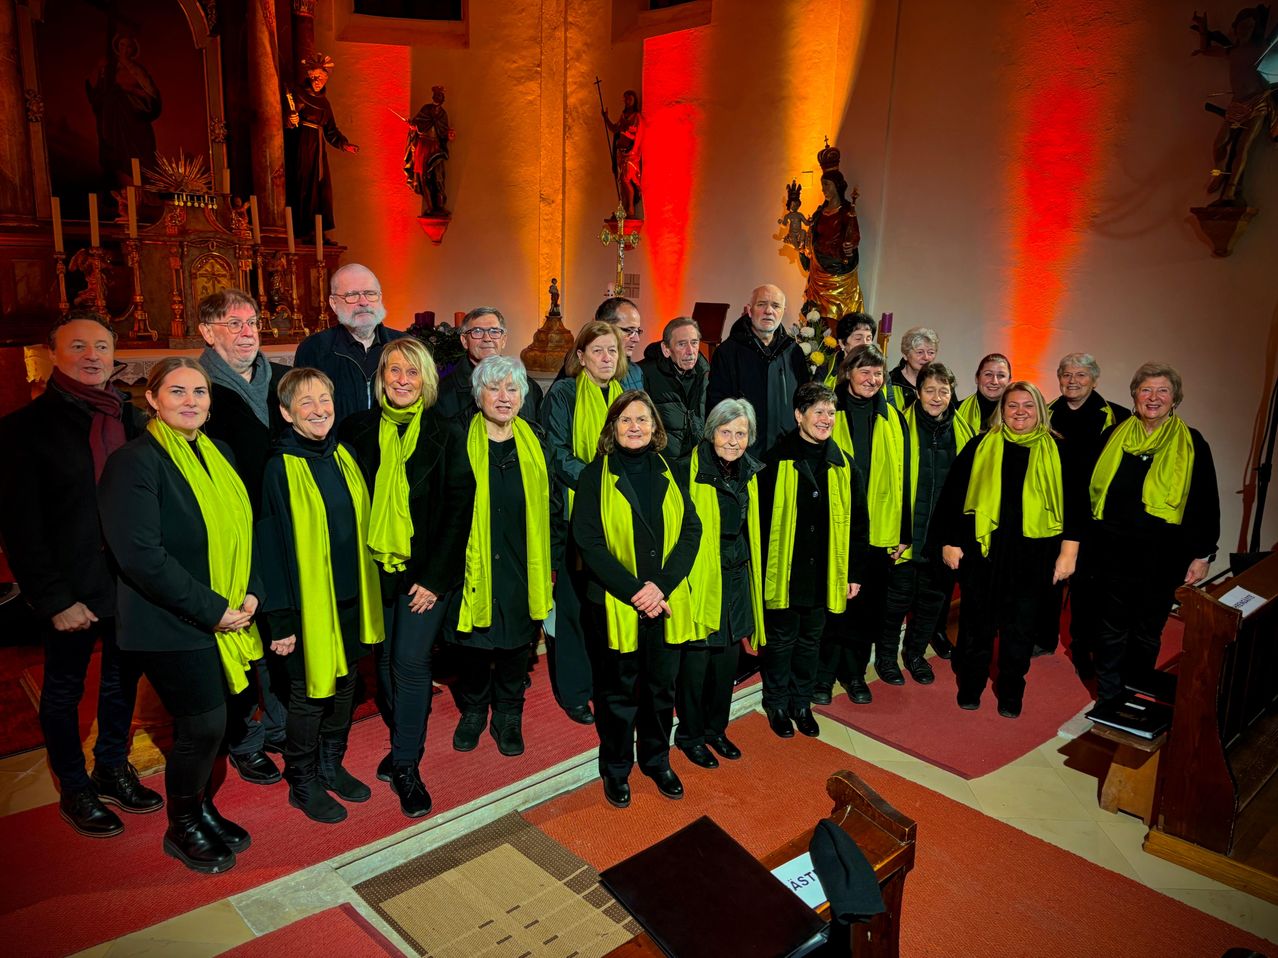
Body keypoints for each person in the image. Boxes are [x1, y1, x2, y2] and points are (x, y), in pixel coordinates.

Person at [0, 310, 161, 837]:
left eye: (100, 346)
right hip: (70, 588)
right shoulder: (26, 429)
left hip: (128, 580)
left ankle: (112, 766)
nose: (91, 356)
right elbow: (21, 526)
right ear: (53, 353)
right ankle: (74, 785)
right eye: (77, 347)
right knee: (66, 689)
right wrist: (53, 598)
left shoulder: (132, 417)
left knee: (121, 682)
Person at [98, 357, 262, 873]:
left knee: (221, 721)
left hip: (223, 613)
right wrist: (216, 611)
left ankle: (203, 811)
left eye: (199, 391)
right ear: (152, 399)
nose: (191, 401)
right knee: (202, 725)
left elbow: (243, 529)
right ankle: (182, 826)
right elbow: (141, 557)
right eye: (178, 391)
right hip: (169, 620)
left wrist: (252, 592)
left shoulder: (219, 453)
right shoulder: (135, 462)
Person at [339, 337, 473, 819]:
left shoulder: (447, 432)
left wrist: (436, 580)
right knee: (385, 661)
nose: (401, 380)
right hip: (374, 569)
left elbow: (460, 511)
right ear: (381, 378)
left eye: (411, 373)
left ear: (426, 381)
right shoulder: (356, 430)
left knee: (411, 663)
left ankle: (407, 765)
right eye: (394, 371)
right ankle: (401, 744)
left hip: (425, 576)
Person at [257, 368, 384, 824]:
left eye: (324, 399)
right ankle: (303, 780)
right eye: (304, 403)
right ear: (287, 412)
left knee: (347, 683)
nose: (318, 410)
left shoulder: (343, 454)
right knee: (308, 695)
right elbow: (269, 548)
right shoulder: (279, 466)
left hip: (349, 598)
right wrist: (282, 621)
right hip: (306, 607)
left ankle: (332, 764)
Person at [572, 390, 702, 807]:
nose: (635, 427)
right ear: (613, 427)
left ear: (655, 428)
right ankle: (615, 768)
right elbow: (588, 544)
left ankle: (656, 759)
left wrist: (660, 586)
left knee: (661, 690)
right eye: (626, 420)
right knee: (616, 693)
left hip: (663, 601)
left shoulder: (672, 470)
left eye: (643, 420)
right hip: (614, 602)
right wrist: (634, 592)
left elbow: (691, 532)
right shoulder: (595, 475)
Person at [935, 382, 1084, 717]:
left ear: (1040, 412)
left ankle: (1011, 690)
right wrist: (950, 541)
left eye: (1027, 406)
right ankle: (970, 685)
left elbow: (1076, 507)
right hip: (983, 553)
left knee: (1020, 629)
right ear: (1001, 411)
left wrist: (1068, 553)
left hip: (1034, 556)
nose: (1020, 413)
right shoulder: (979, 446)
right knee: (975, 625)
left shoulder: (1059, 451)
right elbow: (953, 498)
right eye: (1012, 406)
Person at [1084, 363, 1219, 709]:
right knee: (1111, 627)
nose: (1153, 398)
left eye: (1162, 391)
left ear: (1175, 399)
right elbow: (1091, 493)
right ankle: (1109, 695)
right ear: (1134, 396)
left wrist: (1202, 555)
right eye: (1146, 390)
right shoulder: (1114, 436)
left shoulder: (1192, 443)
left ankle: (1133, 683)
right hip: (1112, 551)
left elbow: (1205, 501)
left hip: (1163, 556)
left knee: (1147, 628)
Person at [197, 289, 289, 785]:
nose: (247, 331)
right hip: (228, 531)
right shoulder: (199, 387)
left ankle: (274, 720)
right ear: (208, 333)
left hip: (276, 522)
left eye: (252, 321)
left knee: (274, 625)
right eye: (234, 323)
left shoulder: (276, 378)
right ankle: (241, 737)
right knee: (234, 633)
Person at [445, 356, 554, 757]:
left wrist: (551, 560)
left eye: (512, 389)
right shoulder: (457, 438)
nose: (504, 397)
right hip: (472, 563)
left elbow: (552, 504)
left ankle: (508, 714)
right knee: (473, 644)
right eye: (494, 388)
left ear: (523, 395)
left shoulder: (536, 440)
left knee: (514, 646)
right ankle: (473, 711)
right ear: (479, 395)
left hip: (521, 561)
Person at [759, 383, 868, 738]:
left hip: (824, 570)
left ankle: (800, 703)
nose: (826, 419)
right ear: (799, 415)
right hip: (786, 571)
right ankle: (776, 703)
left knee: (811, 642)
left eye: (831, 413)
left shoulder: (844, 464)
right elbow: (759, 522)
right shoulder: (774, 461)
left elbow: (858, 524)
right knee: (781, 640)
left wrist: (853, 573)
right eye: (818, 412)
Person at [541, 321, 629, 724]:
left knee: (607, 602)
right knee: (574, 607)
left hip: (618, 513)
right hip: (574, 514)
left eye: (612, 351)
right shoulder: (563, 394)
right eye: (598, 351)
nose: (607, 358)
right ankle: (574, 690)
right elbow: (555, 452)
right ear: (580, 357)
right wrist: (598, 483)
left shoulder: (624, 396)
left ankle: (603, 681)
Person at [815, 345, 911, 704]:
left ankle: (853, 673)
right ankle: (823, 676)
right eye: (864, 371)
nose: (872, 379)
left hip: (879, 528)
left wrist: (903, 533)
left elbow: (905, 476)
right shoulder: (828, 411)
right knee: (831, 606)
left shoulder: (893, 417)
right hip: (834, 526)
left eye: (878, 373)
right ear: (847, 372)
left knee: (867, 609)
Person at [675, 398, 766, 768]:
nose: (733, 440)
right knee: (696, 665)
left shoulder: (750, 470)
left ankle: (716, 730)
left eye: (740, 433)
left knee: (727, 663)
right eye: (726, 432)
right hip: (700, 573)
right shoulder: (687, 470)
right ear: (711, 432)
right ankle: (690, 735)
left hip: (737, 572)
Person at [878, 363, 975, 685]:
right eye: (930, 390)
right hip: (906, 534)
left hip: (942, 538)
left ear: (952, 394)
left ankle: (915, 655)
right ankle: (887, 658)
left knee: (931, 604)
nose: (936, 397)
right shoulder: (899, 428)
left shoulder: (964, 433)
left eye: (943, 391)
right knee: (895, 604)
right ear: (917, 392)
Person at [1046, 352, 1132, 671]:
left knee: (1087, 587)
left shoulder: (1118, 417)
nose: (1072, 380)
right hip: (1053, 512)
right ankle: (1043, 638)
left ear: (1094, 380)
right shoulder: (1047, 414)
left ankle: (1083, 646)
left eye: (1081, 375)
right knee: (1048, 579)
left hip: (1095, 517)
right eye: (1067, 374)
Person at [293, 264, 409, 424]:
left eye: (370, 294)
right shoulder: (314, 348)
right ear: (333, 303)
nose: (363, 302)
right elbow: (303, 412)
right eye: (352, 295)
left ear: (380, 298)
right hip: (337, 447)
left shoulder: (405, 345)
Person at [707, 284, 810, 456]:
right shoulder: (727, 352)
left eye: (776, 306)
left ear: (783, 312)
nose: (769, 311)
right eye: (762, 304)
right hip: (743, 453)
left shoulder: (794, 352)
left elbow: (804, 401)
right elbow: (717, 406)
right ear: (749, 310)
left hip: (785, 453)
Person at [284, 53, 358, 236]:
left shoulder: (325, 103)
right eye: (315, 77)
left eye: (322, 78)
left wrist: (344, 144)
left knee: (321, 187)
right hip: (301, 144)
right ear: (309, 76)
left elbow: (331, 130)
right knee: (304, 183)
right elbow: (285, 119)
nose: (318, 81)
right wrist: (290, 120)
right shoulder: (297, 94)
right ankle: (303, 228)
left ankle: (318, 229)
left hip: (318, 148)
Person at [433, 306, 544, 424]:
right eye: (477, 331)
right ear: (464, 341)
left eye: (494, 331)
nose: (487, 339)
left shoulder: (529, 387)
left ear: (504, 340)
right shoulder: (443, 392)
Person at [86, 29, 160, 190]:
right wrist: (98, 69)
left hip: (134, 120)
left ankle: (141, 192)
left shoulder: (137, 70)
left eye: (128, 46)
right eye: (122, 45)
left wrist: (128, 90)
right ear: (117, 46)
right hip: (112, 120)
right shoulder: (108, 67)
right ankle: (119, 190)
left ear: (133, 49)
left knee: (138, 155)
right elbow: (95, 93)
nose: (124, 49)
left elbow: (152, 96)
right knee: (113, 152)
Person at [639, 316, 709, 462]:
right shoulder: (644, 374)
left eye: (694, 343)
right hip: (660, 465)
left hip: (695, 463)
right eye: (682, 344)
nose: (690, 351)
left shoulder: (705, 374)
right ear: (666, 349)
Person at [802, 170, 864, 320]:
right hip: (818, 268)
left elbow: (853, 234)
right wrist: (804, 245)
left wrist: (851, 246)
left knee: (836, 312)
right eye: (822, 185)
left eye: (827, 185)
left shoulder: (846, 211)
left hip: (838, 269)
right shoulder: (820, 212)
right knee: (817, 312)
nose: (824, 189)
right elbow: (812, 234)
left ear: (837, 186)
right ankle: (816, 339)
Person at [551, 297, 645, 391]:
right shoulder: (569, 383)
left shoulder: (636, 372)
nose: (636, 339)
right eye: (629, 331)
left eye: (637, 331)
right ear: (604, 327)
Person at [404, 85, 453, 216]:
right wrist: (413, 126)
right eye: (436, 95)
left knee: (438, 176)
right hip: (423, 144)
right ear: (433, 97)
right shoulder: (426, 109)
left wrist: (449, 135)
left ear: (443, 99)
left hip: (435, 147)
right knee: (423, 176)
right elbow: (416, 123)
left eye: (440, 96)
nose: (438, 98)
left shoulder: (443, 114)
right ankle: (430, 206)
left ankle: (439, 205)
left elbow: (443, 132)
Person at [603, 90, 644, 219]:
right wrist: (605, 118)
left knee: (627, 179)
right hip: (622, 154)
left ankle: (630, 209)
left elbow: (637, 135)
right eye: (625, 99)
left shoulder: (636, 117)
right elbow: (615, 129)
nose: (627, 102)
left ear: (634, 101)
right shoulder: (623, 116)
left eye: (629, 99)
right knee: (622, 181)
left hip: (631, 155)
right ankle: (624, 209)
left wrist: (632, 149)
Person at [955, 354, 1012, 435]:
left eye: (1001, 375)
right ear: (977, 378)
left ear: (1009, 381)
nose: (994, 381)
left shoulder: (1017, 416)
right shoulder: (954, 412)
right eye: (988, 374)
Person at [817, 313, 876, 388]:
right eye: (858, 338)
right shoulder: (826, 370)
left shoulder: (878, 369)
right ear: (842, 343)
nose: (864, 343)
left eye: (868, 339)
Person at [887, 327, 940, 410]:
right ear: (905, 354)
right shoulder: (890, 381)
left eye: (931, 352)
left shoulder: (941, 380)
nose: (926, 357)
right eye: (920, 352)